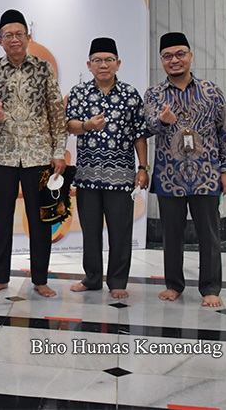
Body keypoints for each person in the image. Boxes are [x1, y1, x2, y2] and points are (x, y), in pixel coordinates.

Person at [0, 9, 67, 297]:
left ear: (28, 37)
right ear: (0, 40)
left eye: (19, 34)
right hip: (1, 155)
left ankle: (40, 279)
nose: (14, 39)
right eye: (8, 35)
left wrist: (59, 151)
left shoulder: (44, 69)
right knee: (1, 219)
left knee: (40, 220)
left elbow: (57, 113)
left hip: (38, 156)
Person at [144, 32, 226, 308]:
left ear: (190, 56)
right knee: (172, 235)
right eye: (168, 56)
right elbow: (148, 127)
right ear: (161, 60)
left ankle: (210, 287)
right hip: (169, 176)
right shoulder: (154, 94)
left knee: (209, 234)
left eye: (180, 54)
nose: (174, 60)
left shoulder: (211, 91)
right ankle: (174, 285)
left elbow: (225, 130)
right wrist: (163, 121)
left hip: (206, 175)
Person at [65, 37, 148, 299]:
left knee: (120, 231)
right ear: (89, 65)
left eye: (109, 60)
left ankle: (118, 281)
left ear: (118, 64)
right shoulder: (79, 93)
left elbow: (140, 134)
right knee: (90, 231)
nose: (103, 65)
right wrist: (87, 125)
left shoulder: (130, 94)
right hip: (87, 175)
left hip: (121, 176)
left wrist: (143, 167)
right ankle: (91, 278)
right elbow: (69, 125)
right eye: (98, 60)